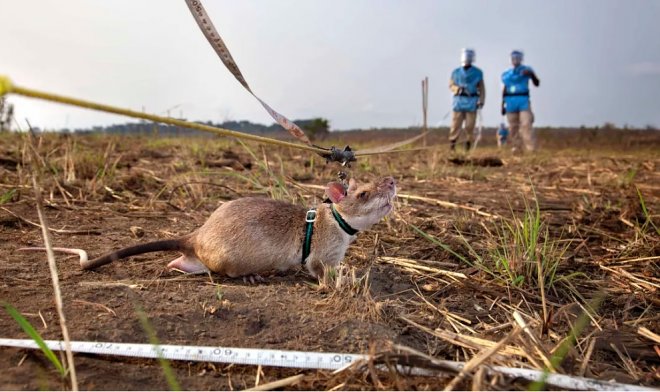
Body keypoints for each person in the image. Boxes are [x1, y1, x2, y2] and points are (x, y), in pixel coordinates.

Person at [501, 50, 540, 152]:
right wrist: (502, 104)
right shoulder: (506, 74)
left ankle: (531, 148)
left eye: (517, 58)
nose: (515, 60)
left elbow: (537, 83)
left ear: (521, 59)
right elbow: (504, 89)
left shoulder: (527, 70)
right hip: (510, 101)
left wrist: (531, 75)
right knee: (513, 126)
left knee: (526, 123)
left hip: (523, 100)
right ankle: (516, 148)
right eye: (513, 58)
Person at [449, 48, 485, 152]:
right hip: (458, 101)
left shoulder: (478, 73)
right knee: (456, 124)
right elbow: (451, 85)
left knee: (470, 125)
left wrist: (481, 101)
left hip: (472, 101)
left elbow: (482, 88)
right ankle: (452, 145)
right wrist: (457, 89)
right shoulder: (455, 72)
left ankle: (468, 145)